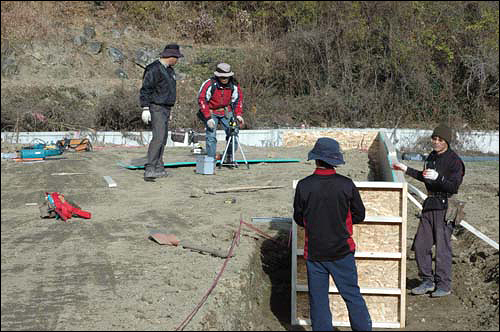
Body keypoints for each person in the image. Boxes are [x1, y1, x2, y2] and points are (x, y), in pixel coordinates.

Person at [293, 137, 372, 331]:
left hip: (315, 253)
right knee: (352, 296)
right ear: (335, 160)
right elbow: (360, 215)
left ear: (316, 159)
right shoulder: (346, 185)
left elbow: (299, 218)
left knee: (318, 301)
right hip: (342, 252)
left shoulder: (304, 186)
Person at [394, 124, 465, 297]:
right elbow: (424, 177)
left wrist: (439, 178)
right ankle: (427, 280)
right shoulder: (431, 157)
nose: (436, 142)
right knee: (420, 245)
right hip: (430, 204)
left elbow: (454, 186)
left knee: (442, 248)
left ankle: (444, 284)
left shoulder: (454, 161)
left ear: (446, 141)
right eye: (434, 138)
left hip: (445, 205)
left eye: (440, 140)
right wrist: (406, 169)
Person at [139, 43, 183, 181]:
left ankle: (158, 165)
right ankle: (150, 168)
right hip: (156, 107)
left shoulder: (169, 70)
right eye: (177, 57)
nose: (177, 60)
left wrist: (171, 109)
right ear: (172, 57)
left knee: (163, 138)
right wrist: (145, 108)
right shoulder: (153, 69)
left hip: (166, 107)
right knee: (158, 138)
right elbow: (146, 89)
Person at [197, 63, 244, 163]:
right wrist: (208, 117)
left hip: (226, 111)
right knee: (211, 136)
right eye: (222, 77)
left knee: (233, 134)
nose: (224, 79)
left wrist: (239, 115)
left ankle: (229, 156)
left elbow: (238, 100)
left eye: (226, 77)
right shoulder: (209, 84)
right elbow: (202, 99)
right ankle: (211, 160)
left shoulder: (234, 85)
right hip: (211, 112)